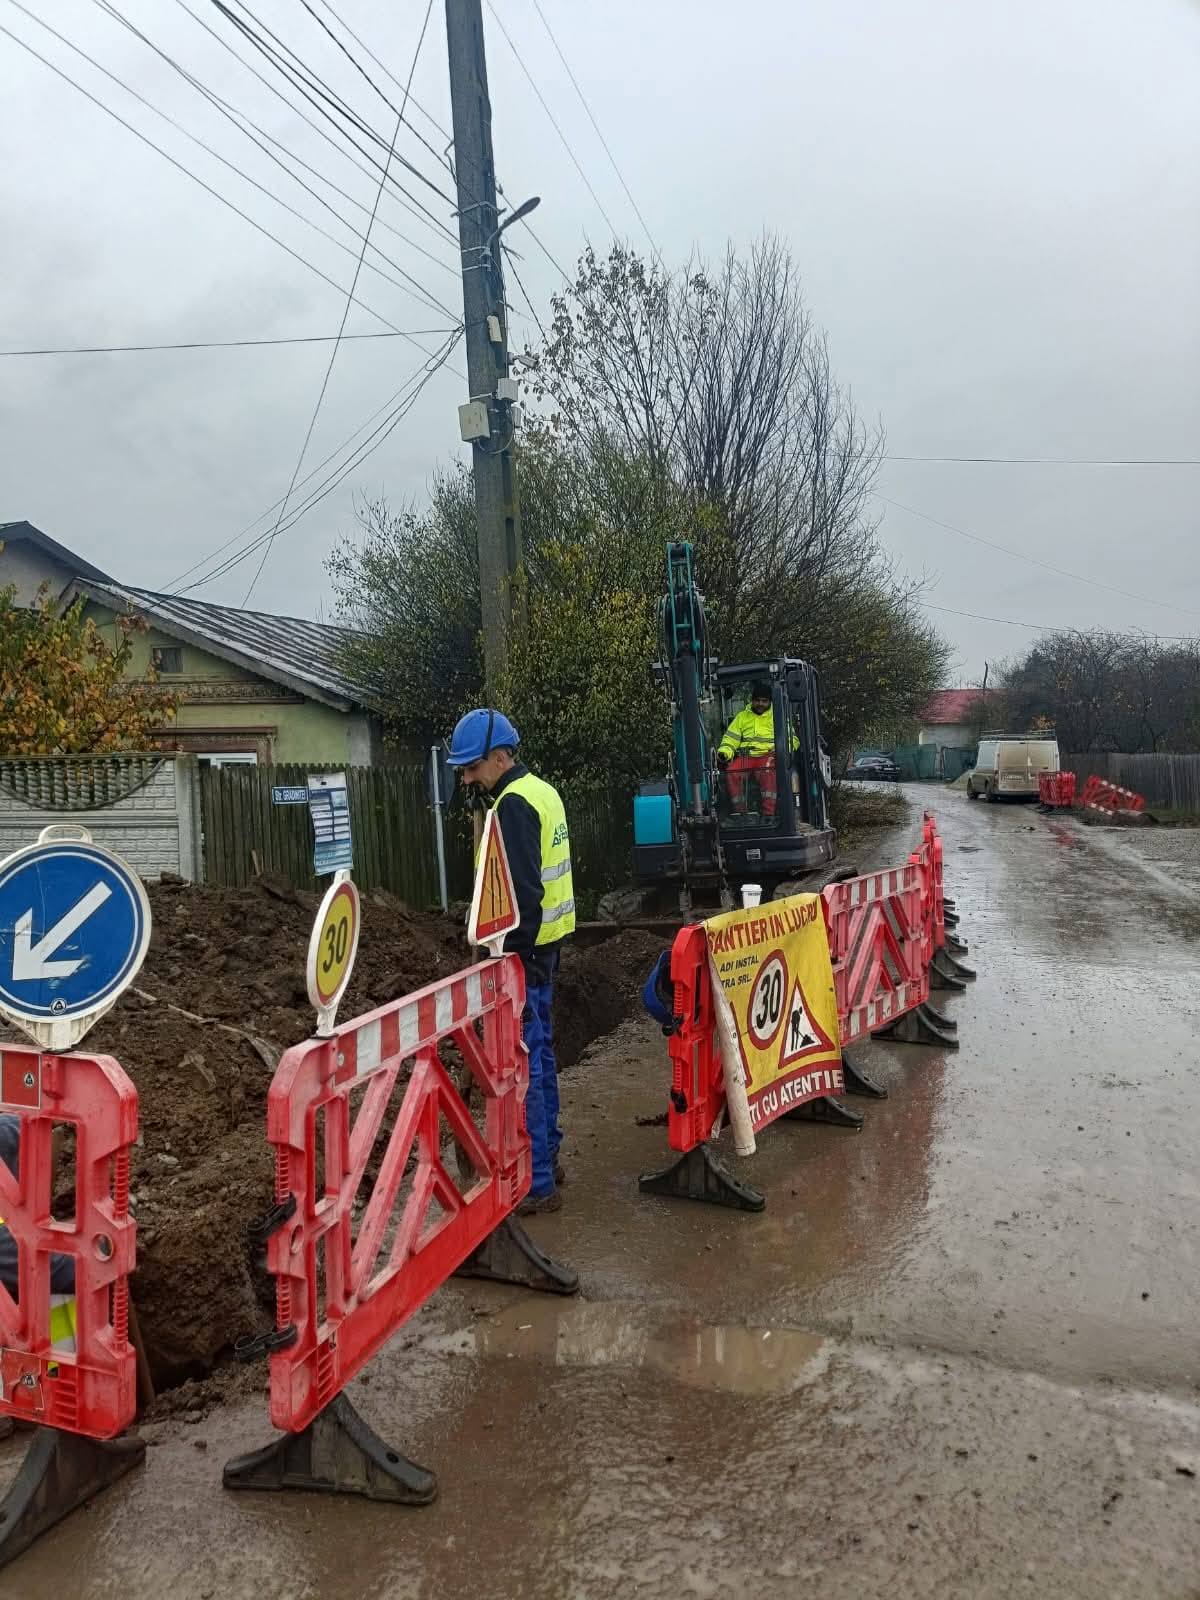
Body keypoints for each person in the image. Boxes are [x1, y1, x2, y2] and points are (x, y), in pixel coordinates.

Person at [447, 708, 575, 1216]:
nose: (466, 777)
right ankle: (549, 1159)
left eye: (472, 767)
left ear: (500, 757)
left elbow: (523, 892)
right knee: (541, 1057)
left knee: (528, 1065)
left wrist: (507, 962)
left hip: (527, 953)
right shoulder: (542, 791)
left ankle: (538, 1182)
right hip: (549, 945)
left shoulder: (513, 807)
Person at [716, 681, 781, 816]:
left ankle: (768, 814)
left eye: (764, 701)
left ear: (770, 701)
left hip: (767, 756)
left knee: (768, 771)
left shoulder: (777, 716)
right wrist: (724, 753)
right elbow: (730, 739)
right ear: (752, 700)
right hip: (746, 757)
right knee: (732, 772)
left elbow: (792, 739)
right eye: (757, 700)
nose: (760, 704)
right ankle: (741, 813)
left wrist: (782, 750)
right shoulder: (742, 717)